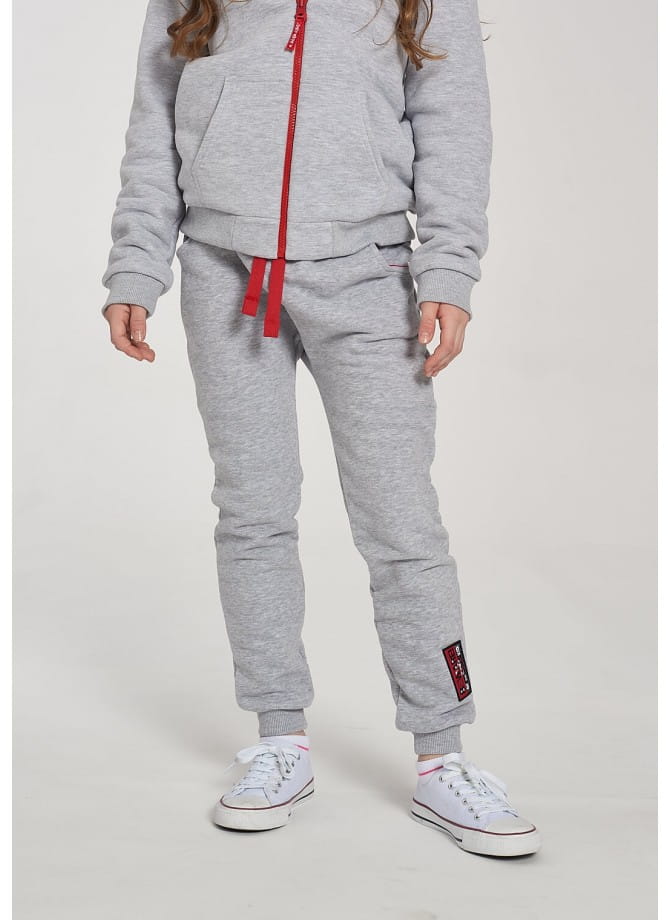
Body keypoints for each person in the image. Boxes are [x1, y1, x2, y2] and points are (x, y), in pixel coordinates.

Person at [100, 0, 540, 857]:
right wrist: (135, 263)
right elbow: (153, 124)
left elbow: (454, 128)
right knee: (253, 512)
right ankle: (279, 741)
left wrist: (449, 270)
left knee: (402, 524)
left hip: (369, 274)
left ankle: (443, 757)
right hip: (224, 271)